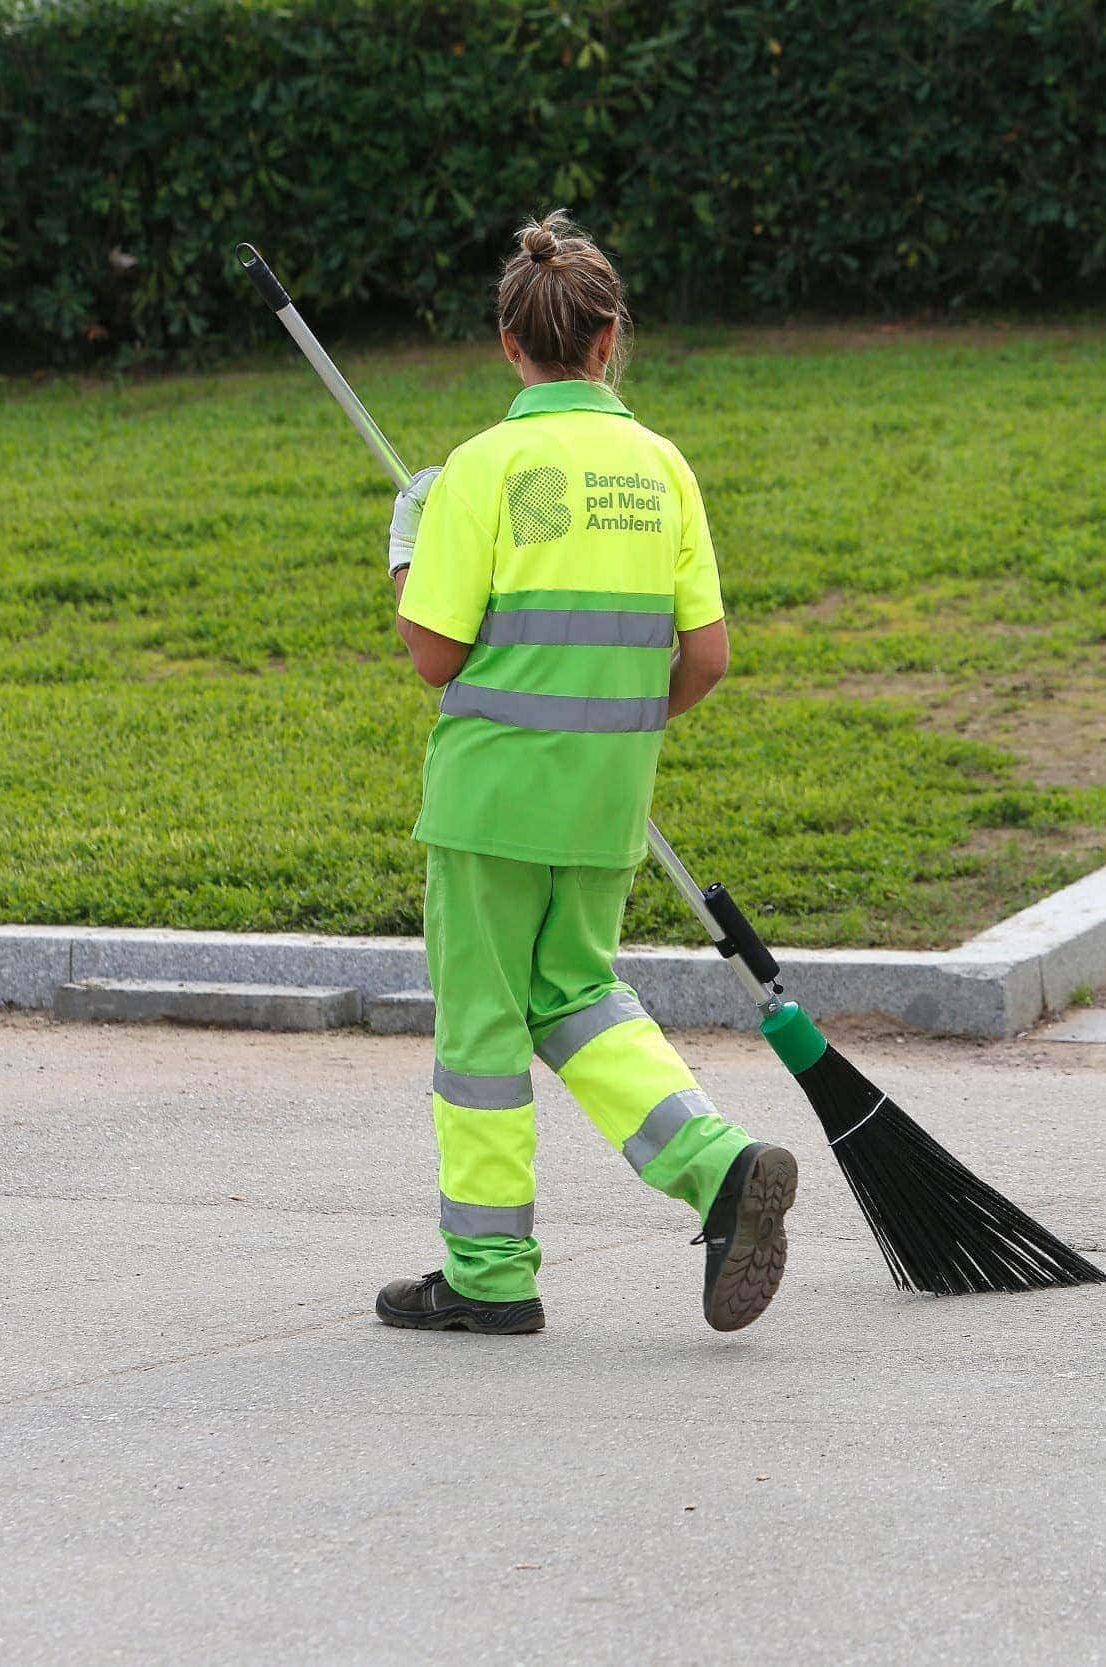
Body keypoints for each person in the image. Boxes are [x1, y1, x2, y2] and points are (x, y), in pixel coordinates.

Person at [374, 211, 795, 1336]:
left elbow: (433, 653)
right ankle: (713, 1166)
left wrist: (407, 543)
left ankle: (489, 1273)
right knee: (577, 995)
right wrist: (614, 726)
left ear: (511, 347)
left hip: (490, 800)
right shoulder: (663, 469)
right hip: (606, 799)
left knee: (480, 1033)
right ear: (611, 339)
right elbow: (704, 658)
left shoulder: (481, 468)